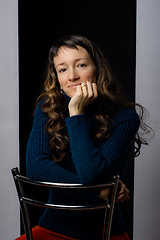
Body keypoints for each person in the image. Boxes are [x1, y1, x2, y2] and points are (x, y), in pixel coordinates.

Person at [15, 34, 148, 240]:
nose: (72, 76)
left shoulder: (125, 118)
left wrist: (76, 113)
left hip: (104, 233)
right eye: (63, 69)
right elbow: (36, 168)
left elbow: (92, 176)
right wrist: (99, 192)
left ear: (97, 69)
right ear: (57, 79)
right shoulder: (47, 108)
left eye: (81, 65)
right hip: (51, 228)